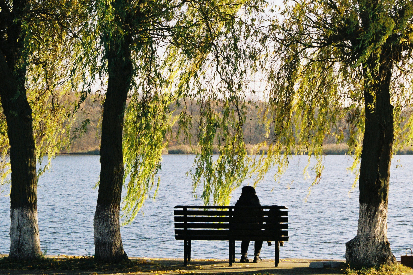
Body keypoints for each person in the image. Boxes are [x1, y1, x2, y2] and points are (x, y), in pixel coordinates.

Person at [233, 186, 263, 263]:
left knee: (245, 235)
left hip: (240, 230)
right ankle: (256, 256)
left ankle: (243, 256)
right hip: (255, 230)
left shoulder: (240, 202)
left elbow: (235, 217)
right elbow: (261, 216)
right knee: (259, 235)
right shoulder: (255, 201)